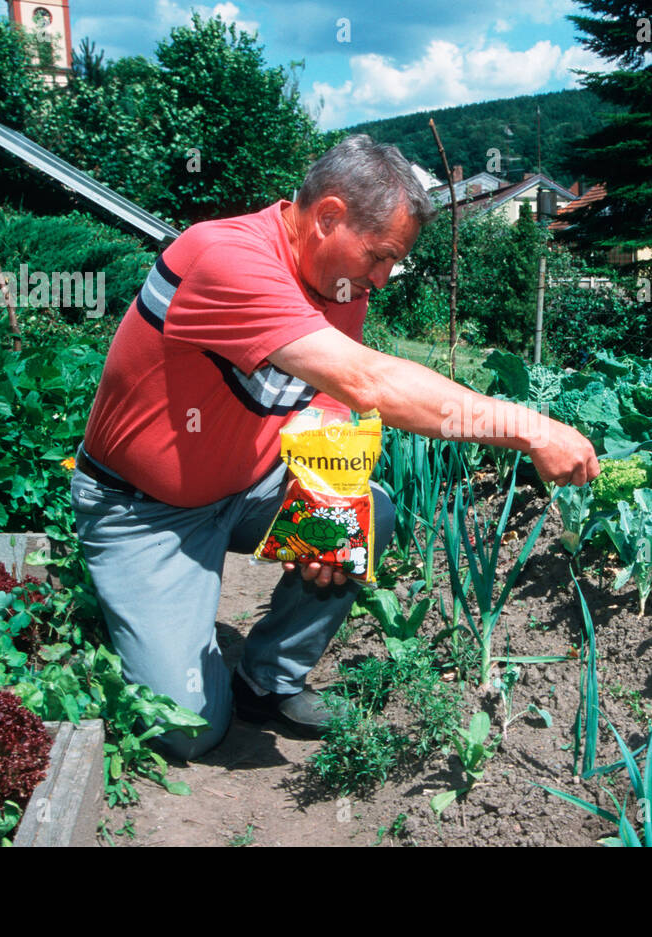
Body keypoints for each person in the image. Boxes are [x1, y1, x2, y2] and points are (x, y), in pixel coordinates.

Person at [71, 134, 599, 760]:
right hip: (145, 509)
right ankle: (135, 623)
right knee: (185, 730)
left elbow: (325, 400)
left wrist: (328, 501)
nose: (380, 278)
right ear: (326, 217)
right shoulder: (225, 258)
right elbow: (367, 381)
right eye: (379, 256)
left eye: (391, 264)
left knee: (367, 507)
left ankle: (266, 680)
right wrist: (531, 428)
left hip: (244, 485)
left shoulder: (338, 284)